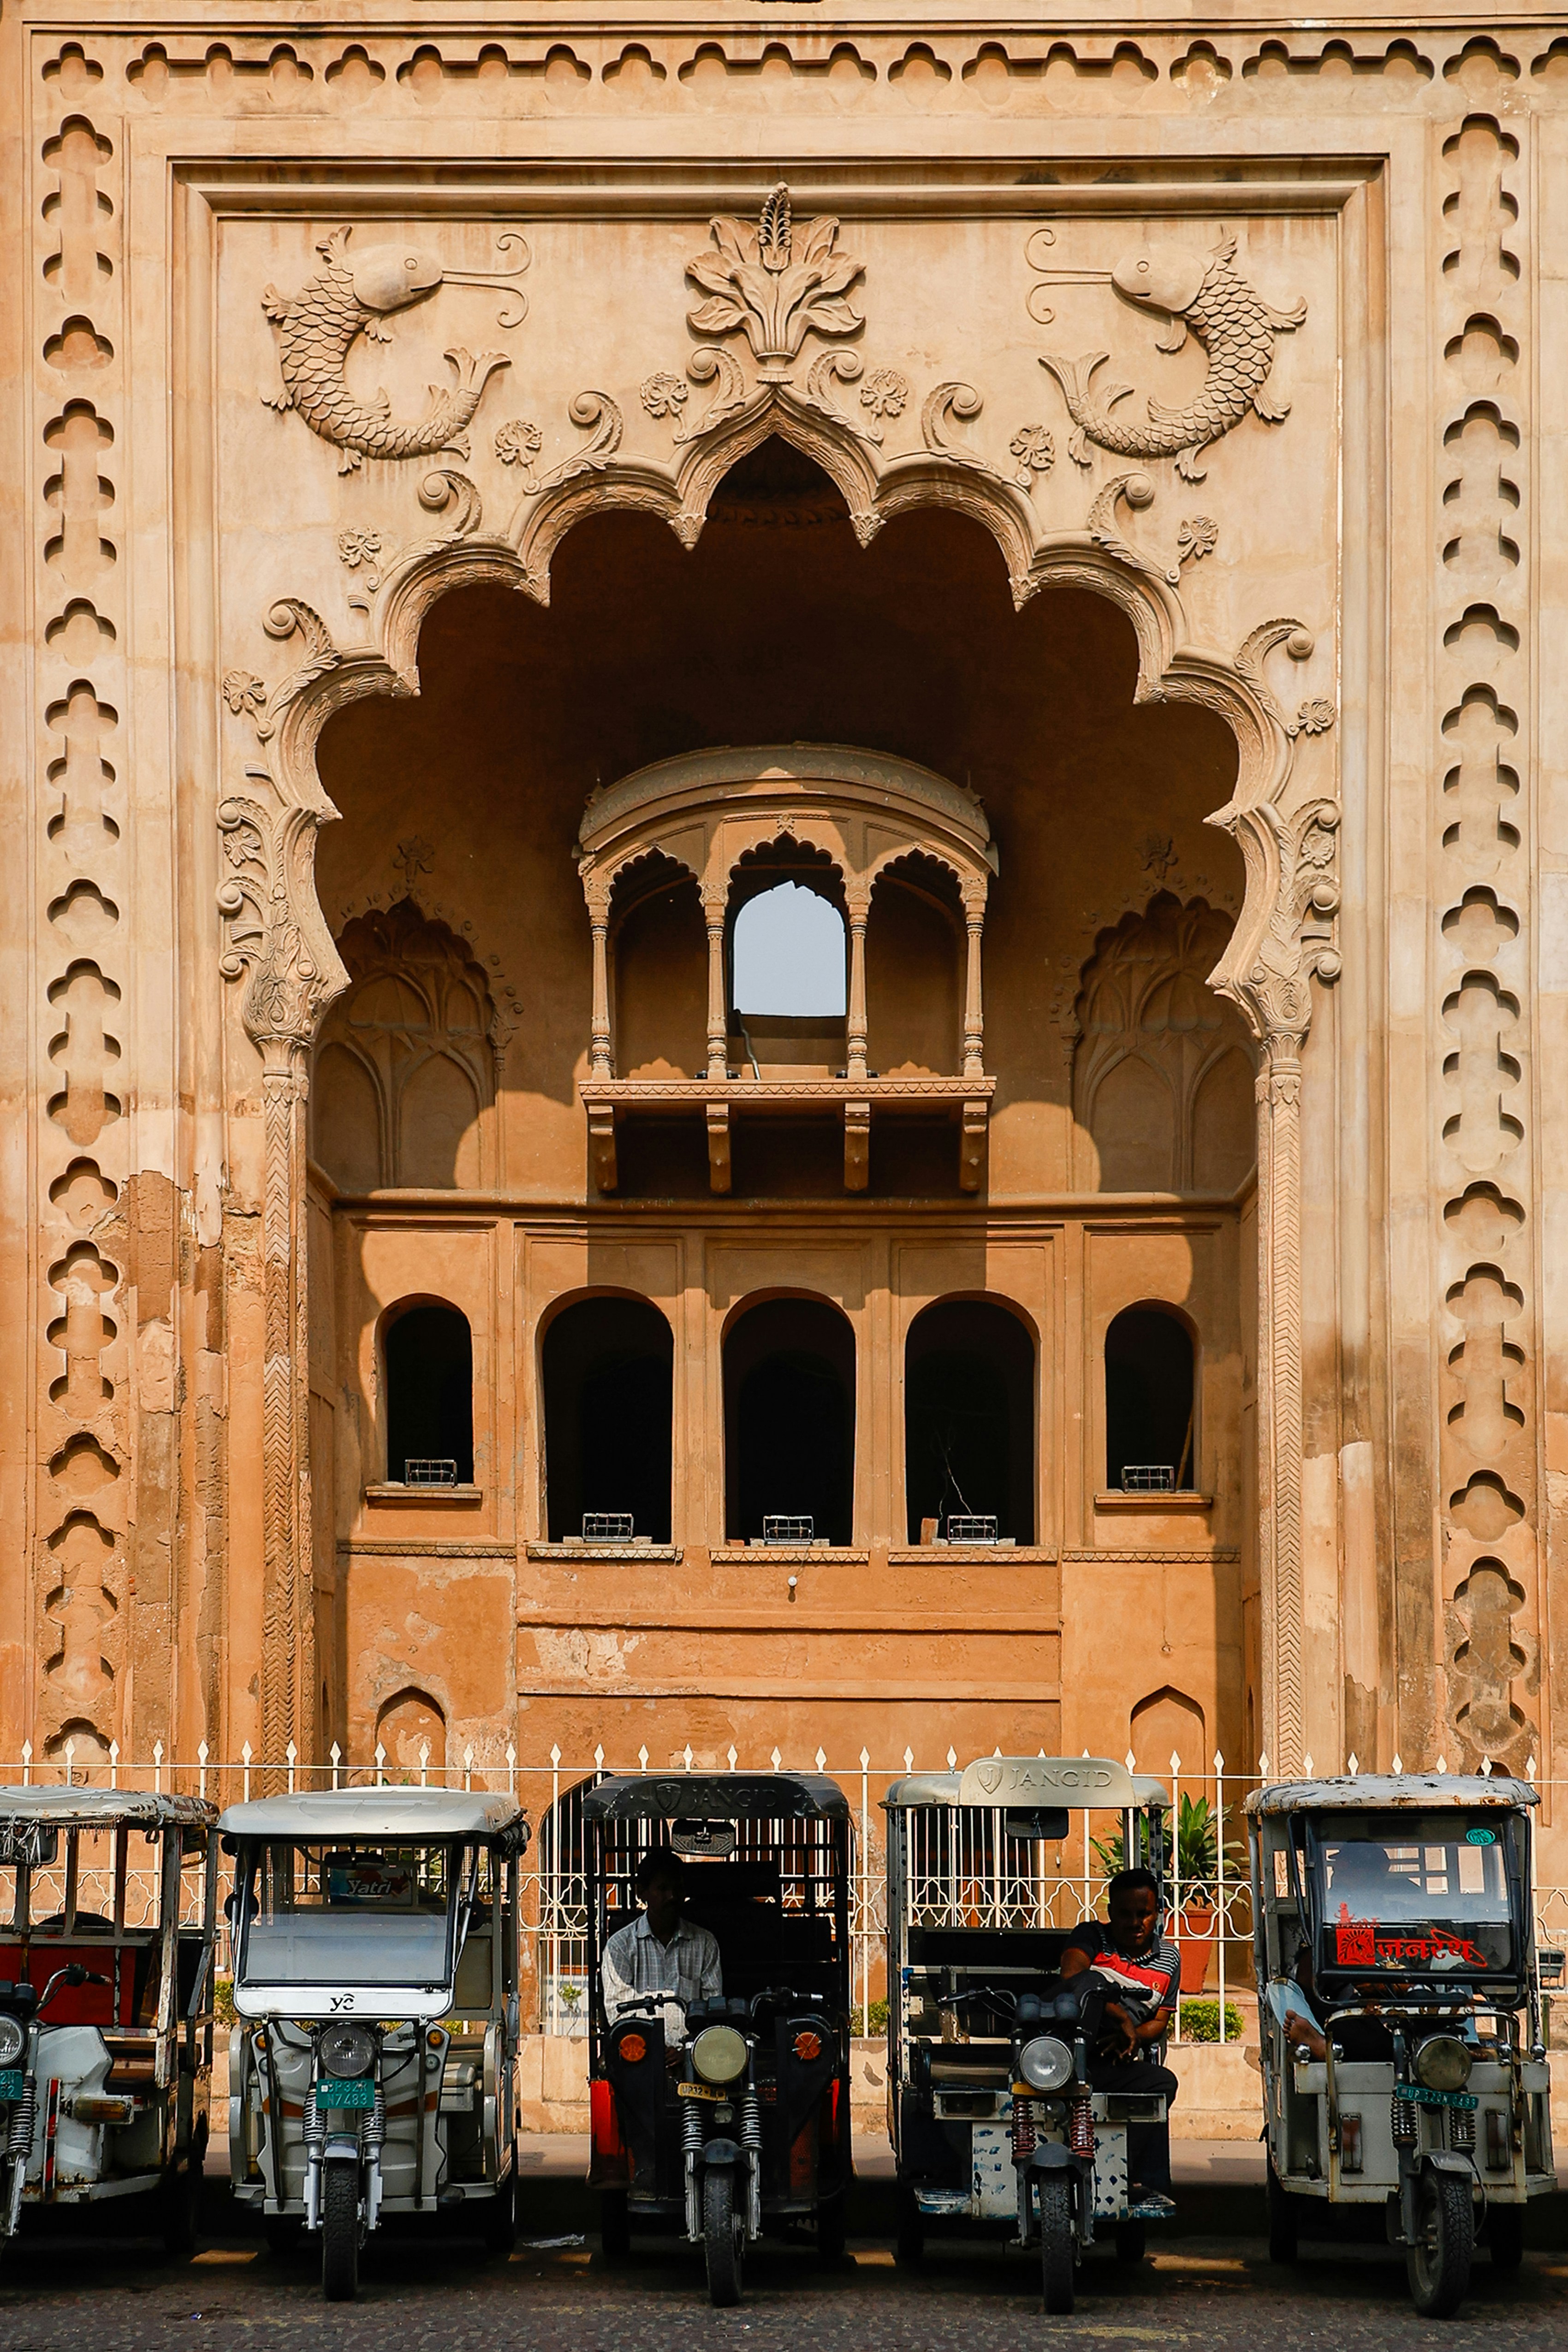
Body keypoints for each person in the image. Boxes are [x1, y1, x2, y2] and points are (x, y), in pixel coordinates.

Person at [1061, 1867, 1181, 2212]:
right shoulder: (1092, 1937)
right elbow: (1072, 1975)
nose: (1135, 1922)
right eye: (1125, 1914)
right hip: (1069, 2057)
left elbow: (1160, 2020)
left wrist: (1132, 2039)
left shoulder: (1170, 1959)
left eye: (1144, 1914)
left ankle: (1142, 2180)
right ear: (1110, 1912)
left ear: (1158, 1913)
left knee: (1162, 2084)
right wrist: (1121, 2017)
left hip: (1117, 2062)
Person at [601, 1845, 722, 2042]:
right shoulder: (620, 1947)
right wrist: (654, 2049)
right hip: (641, 2056)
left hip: (695, 2054)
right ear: (642, 1892)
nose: (673, 1897)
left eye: (678, 1889)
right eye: (663, 1889)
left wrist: (688, 2048)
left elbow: (714, 2009)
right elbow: (619, 2015)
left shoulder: (705, 1943)